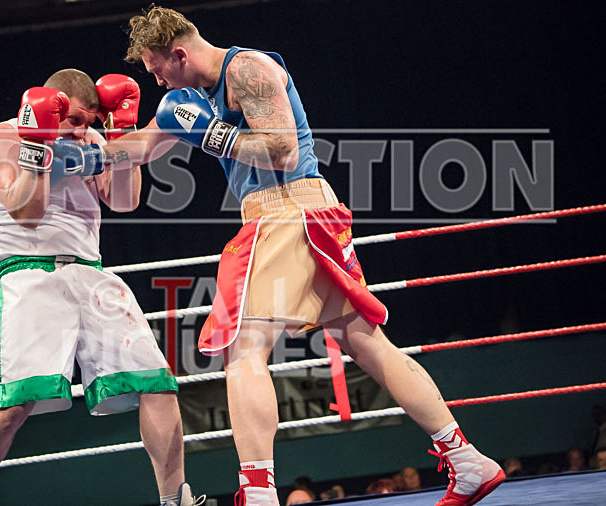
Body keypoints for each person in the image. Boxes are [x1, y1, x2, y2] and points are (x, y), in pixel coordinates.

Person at [61, 6, 505, 505]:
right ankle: (468, 461)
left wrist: (213, 135)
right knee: (366, 343)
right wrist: (78, 149)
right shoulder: (187, 100)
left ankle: (258, 492)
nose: (155, 80)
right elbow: (140, 148)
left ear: (177, 53)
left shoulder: (248, 69)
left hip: (287, 210)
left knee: (242, 350)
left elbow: (283, 151)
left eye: (156, 67)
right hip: (301, 217)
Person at [0, 69, 202, 506]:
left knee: (157, 382)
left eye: (92, 121)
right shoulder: (0, 140)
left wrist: (122, 132)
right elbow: (27, 213)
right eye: (76, 120)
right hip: (29, 274)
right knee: (15, 405)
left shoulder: (93, 140)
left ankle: (175, 499)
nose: (83, 130)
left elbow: (124, 200)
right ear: (52, 104)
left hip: (91, 272)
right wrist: (37, 144)